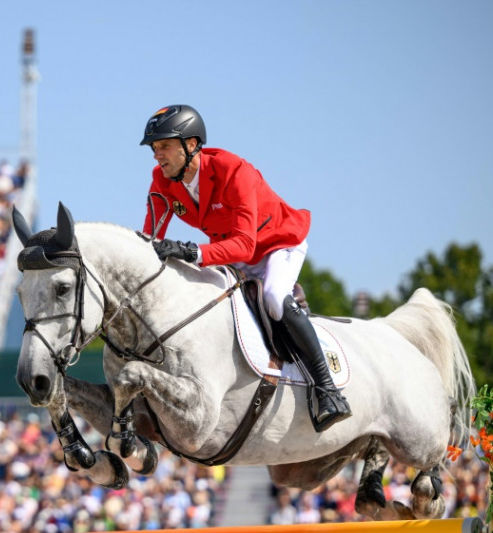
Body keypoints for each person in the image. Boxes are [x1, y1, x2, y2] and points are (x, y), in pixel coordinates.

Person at [140, 104, 350, 432]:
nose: (157, 156)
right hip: (232, 254)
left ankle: (328, 390)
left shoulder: (234, 170)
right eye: (154, 149)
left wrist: (188, 250)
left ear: (191, 145)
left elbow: (245, 245)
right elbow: (149, 239)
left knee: (273, 296)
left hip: (278, 243)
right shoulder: (162, 181)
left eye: (164, 146)